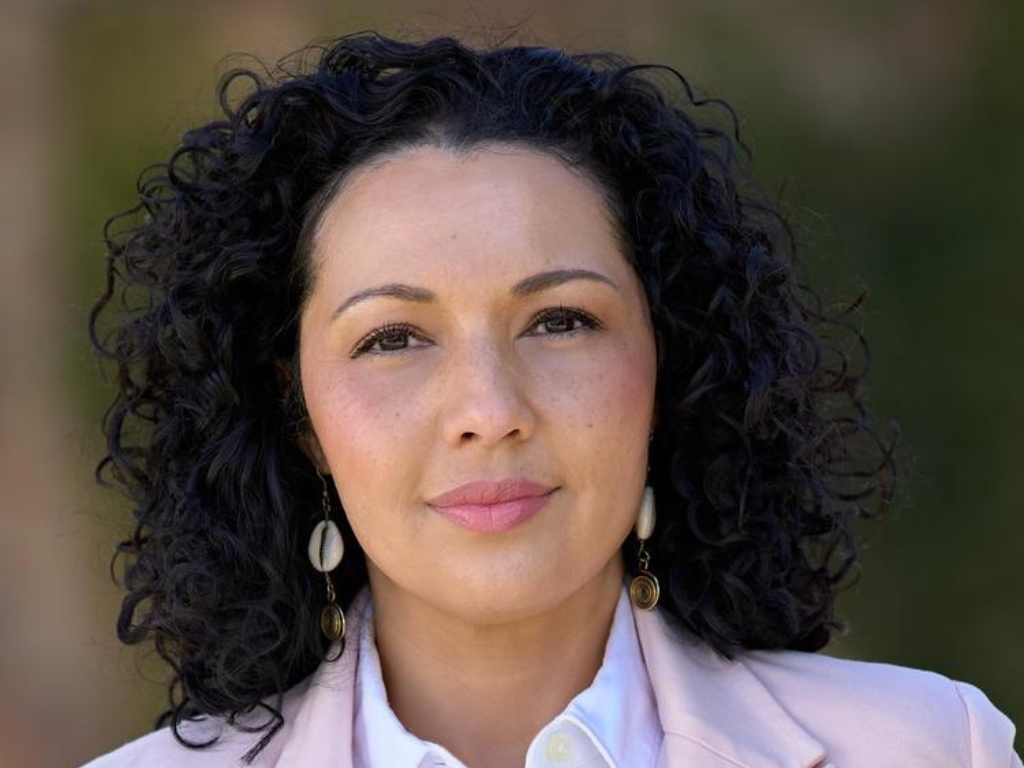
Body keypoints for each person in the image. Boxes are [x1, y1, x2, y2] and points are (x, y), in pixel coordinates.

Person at [83, 31, 1019, 768]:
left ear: (668, 363)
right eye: (393, 338)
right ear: (301, 419)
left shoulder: (933, 748)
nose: (489, 410)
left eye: (560, 321)